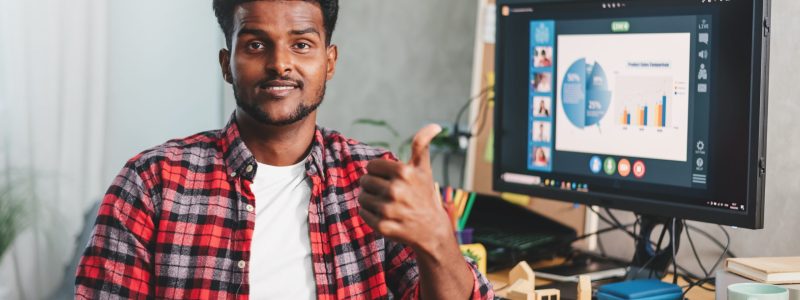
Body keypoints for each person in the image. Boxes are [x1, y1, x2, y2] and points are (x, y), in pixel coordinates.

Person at [74, 1, 493, 299]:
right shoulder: (152, 182)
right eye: (256, 44)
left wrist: (437, 240)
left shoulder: (376, 178)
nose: (280, 64)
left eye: (302, 44)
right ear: (226, 63)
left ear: (329, 61)